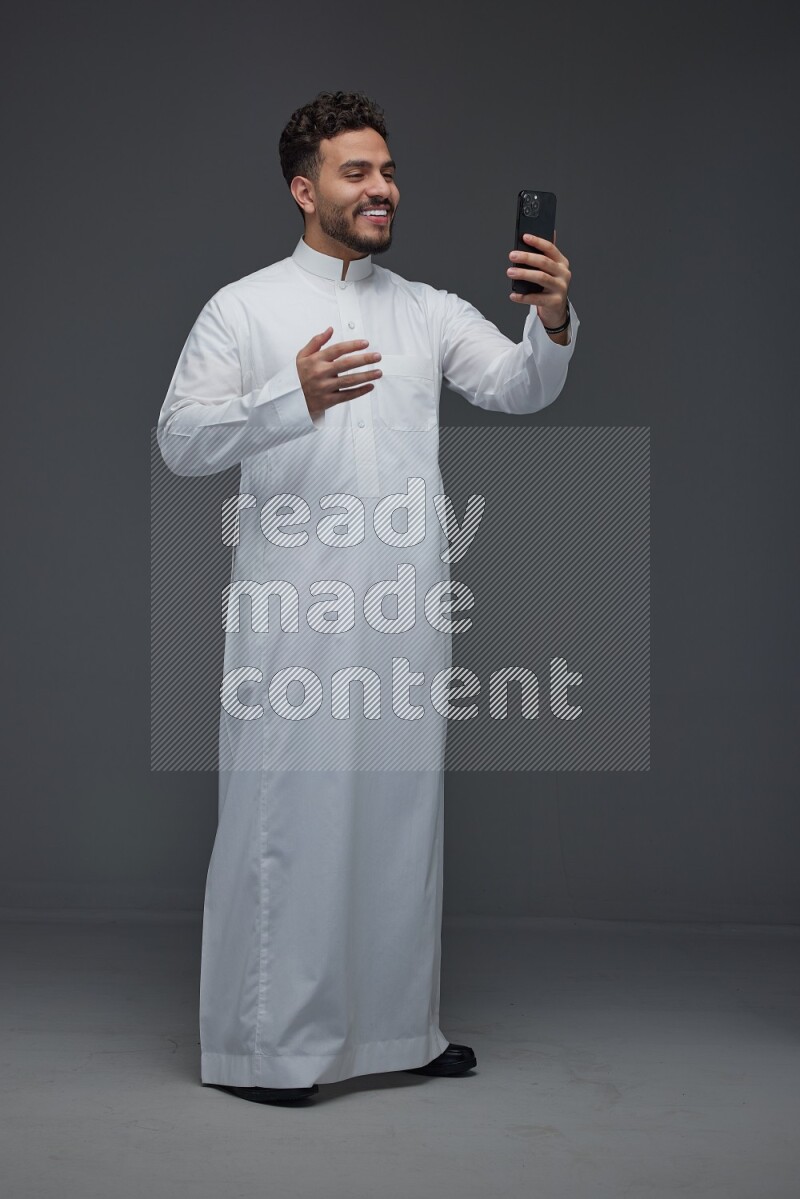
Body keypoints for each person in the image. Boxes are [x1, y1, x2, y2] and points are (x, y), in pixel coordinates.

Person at [156, 90, 580, 1105]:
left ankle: (397, 1031)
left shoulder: (425, 310)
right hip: (293, 619)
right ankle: (269, 1049)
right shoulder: (244, 308)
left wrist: (552, 318)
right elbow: (180, 440)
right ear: (304, 190)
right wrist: (288, 398)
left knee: (398, 821)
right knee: (288, 818)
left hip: (403, 613)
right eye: (357, 172)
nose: (381, 187)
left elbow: (521, 387)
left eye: (387, 170)